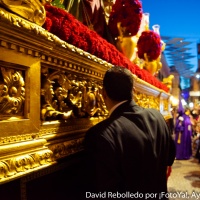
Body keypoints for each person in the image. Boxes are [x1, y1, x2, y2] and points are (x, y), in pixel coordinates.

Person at [84, 66, 176, 199]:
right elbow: (170, 157)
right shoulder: (157, 117)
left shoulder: (99, 134)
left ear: (103, 93)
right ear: (133, 91)